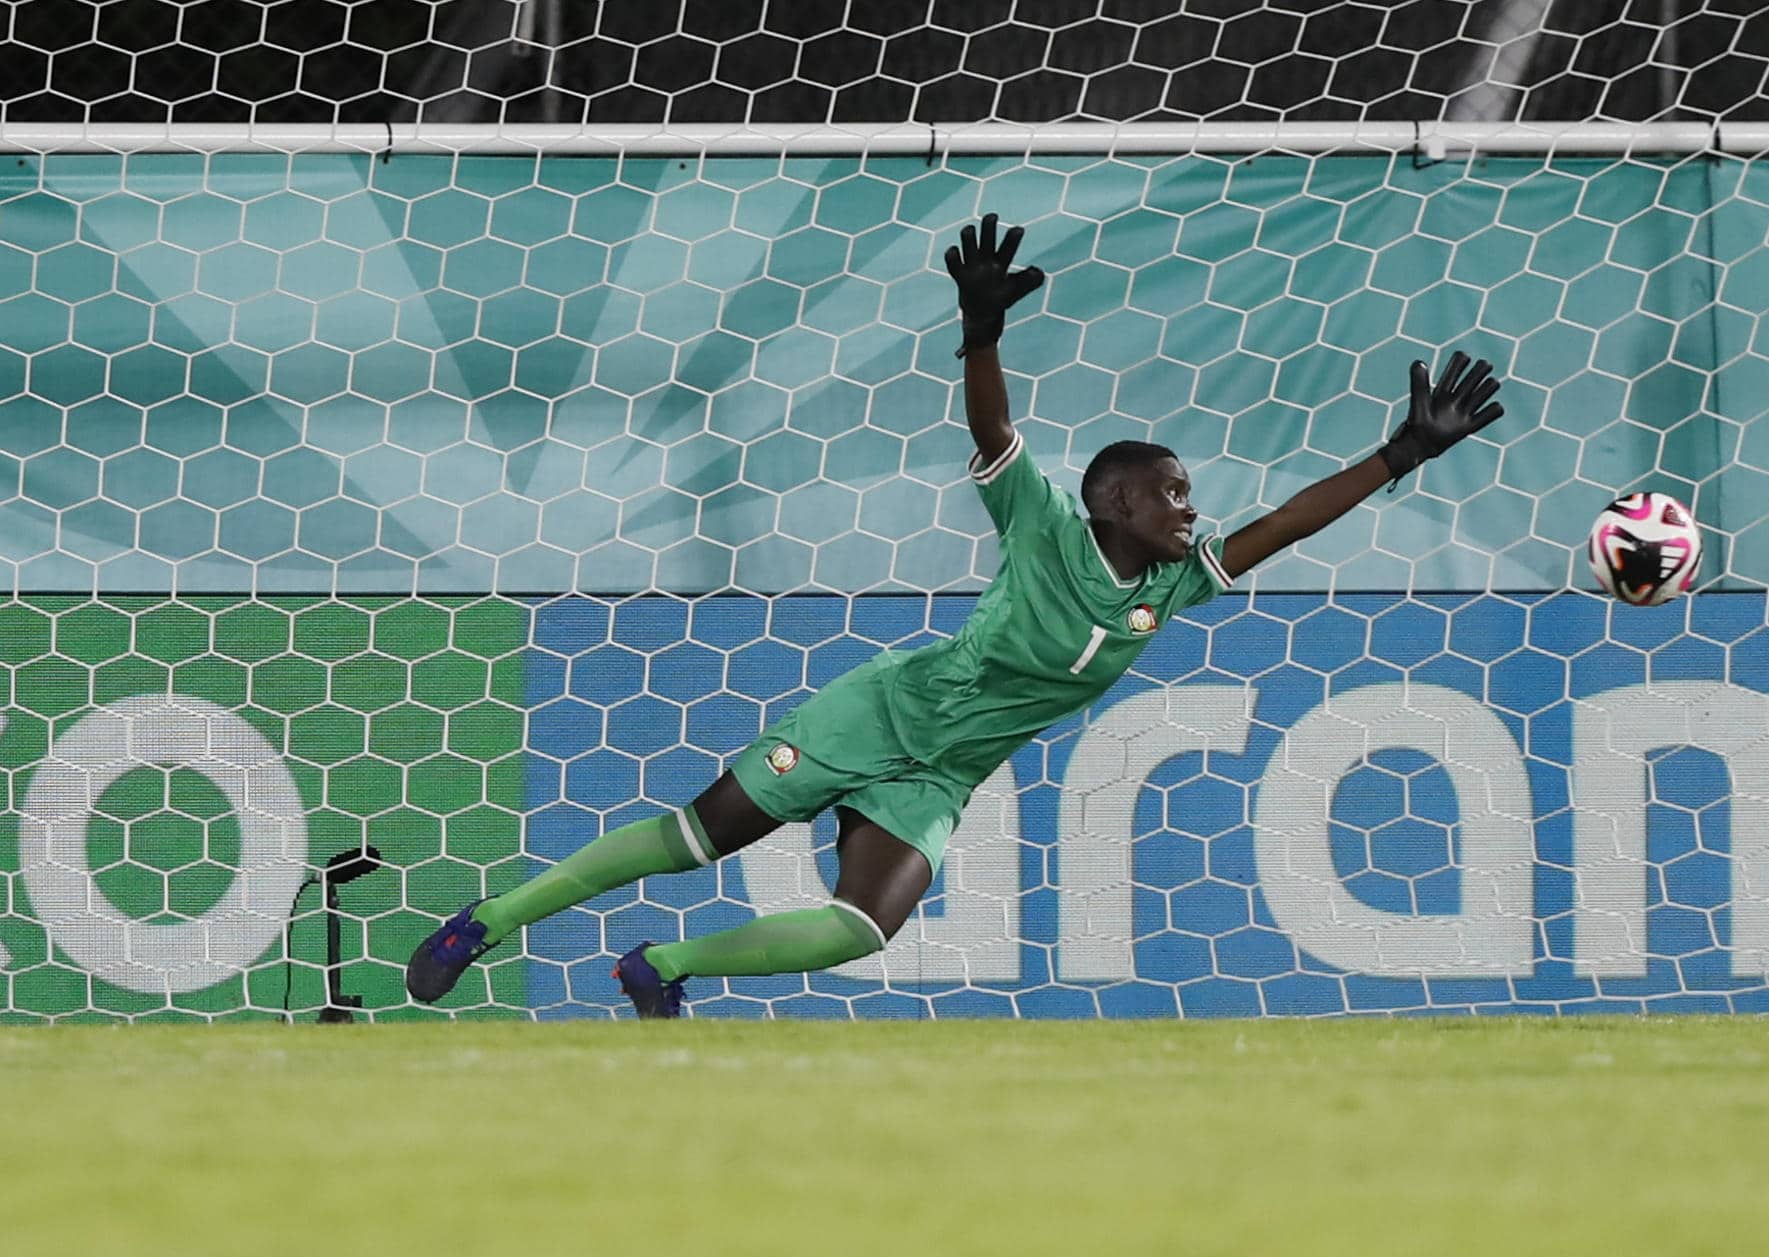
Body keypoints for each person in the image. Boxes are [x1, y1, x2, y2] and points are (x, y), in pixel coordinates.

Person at [406, 213, 1506, 1016]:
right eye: (1170, 490)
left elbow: (1290, 523)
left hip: (938, 774)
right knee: (697, 840)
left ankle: (666, 971)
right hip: (879, 717)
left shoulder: (1176, 579)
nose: (1190, 504)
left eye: (1187, 492)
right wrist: (980, 332)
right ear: (1113, 499)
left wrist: (1402, 454)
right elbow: (995, 432)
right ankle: (485, 925)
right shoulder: (1043, 526)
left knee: (859, 928)